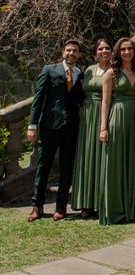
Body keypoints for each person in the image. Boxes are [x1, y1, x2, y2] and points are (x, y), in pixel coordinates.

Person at [27, 39, 84, 222]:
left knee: (67, 167)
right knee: (43, 166)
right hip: (50, 126)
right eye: (68, 50)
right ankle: (37, 206)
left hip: (71, 128)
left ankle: (61, 207)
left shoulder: (80, 74)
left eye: (75, 51)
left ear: (79, 55)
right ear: (63, 53)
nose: (71, 53)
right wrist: (32, 125)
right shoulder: (49, 70)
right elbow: (38, 99)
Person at [98, 38, 135, 224]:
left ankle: (133, 208)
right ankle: (116, 208)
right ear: (118, 52)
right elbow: (105, 102)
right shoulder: (111, 74)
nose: (127, 52)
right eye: (124, 49)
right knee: (116, 161)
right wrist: (103, 127)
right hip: (117, 118)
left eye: (130, 49)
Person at [72, 39, 111, 219]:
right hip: (87, 117)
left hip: (107, 115)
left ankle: (102, 201)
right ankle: (87, 202)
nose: (104, 51)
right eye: (100, 48)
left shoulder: (115, 71)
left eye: (107, 48)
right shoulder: (87, 70)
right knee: (88, 156)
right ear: (96, 52)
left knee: (104, 157)